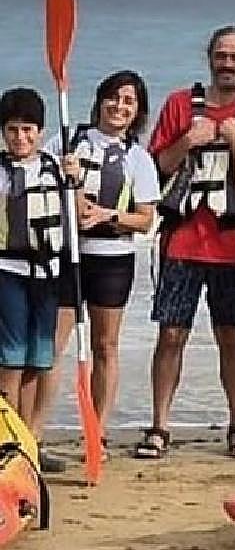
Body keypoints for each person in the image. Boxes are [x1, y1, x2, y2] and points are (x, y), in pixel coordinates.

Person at [138, 25, 235, 459]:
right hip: (181, 242)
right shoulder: (179, 105)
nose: (228, 63)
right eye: (222, 55)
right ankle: (159, 426)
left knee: (231, 336)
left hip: (230, 244)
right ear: (210, 58)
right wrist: (187, 141)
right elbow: (156, 168)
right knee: (171, 334)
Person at [40, 71, 159, 462]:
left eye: (129, 101)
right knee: (52, 348)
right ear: (100, 100)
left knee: (104, 346)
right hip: (67, 255)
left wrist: (107, 215)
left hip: (112, 261)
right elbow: (36, 186)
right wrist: (66, 182)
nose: (119, 106)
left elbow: (145, 219)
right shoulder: (68, 142)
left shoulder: (138, 159)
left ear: (138, 111)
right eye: (113, 97)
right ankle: (34, 433)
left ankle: (98, 433)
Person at [0, 88, 71, 472]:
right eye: (12, 130)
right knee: (9, 363)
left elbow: (75, 211)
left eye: (28, 130)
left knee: (36, 363)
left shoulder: (58, 169)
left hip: (47, 276)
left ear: (41, 132)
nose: (21, 138)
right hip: (7, 274)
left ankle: (26, 440)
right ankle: (7, 441)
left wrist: (74, 179)